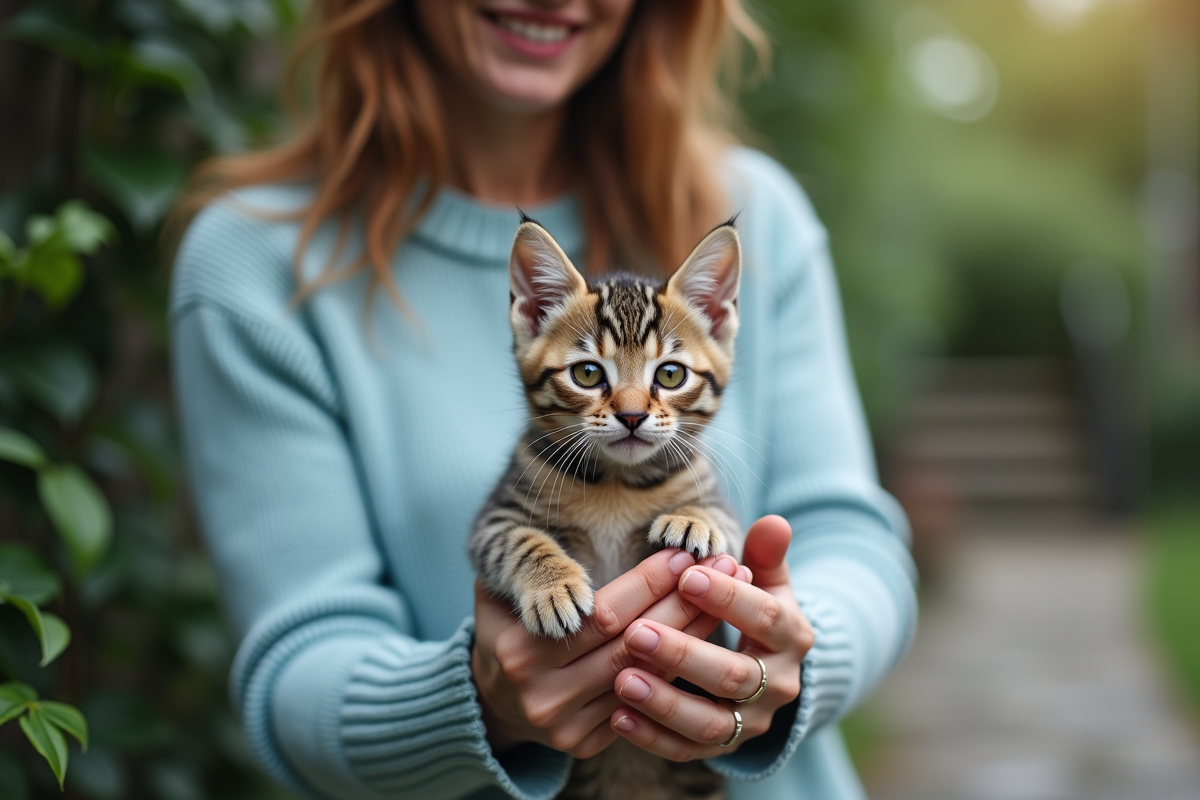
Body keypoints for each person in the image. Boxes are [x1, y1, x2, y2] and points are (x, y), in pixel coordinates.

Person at [170, 1, 917, 798]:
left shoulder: (757, 211)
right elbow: (299, 664)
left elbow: (853, 543)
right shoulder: (253, 263)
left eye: (660, 379)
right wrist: (476, 704)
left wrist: (785, 661)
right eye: (596, 376)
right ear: (529, 312)